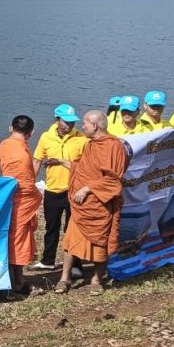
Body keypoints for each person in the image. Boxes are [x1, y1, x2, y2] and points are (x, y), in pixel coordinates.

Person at [56, 111, 129, 296]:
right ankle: (64, 278)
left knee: (100, 243)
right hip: (82, 206)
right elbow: (84, 169)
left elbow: (113, 180)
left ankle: (96, 280)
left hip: (100, 204)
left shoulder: (114, 146)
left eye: (85, 123)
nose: (82, 126)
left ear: (95, 126)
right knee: (70, 241)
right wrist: (64, 162)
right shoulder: (90, 144)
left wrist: (87, 189)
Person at [31, 105, 87, 272]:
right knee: (51, 227)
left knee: (73, 229)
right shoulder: (46, 137)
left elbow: (87, 166)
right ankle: (48, 260)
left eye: (71, 122)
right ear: (57, 119)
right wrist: (30, 183)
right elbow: (37, 160)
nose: (68, 125)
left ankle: (75, 265)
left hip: (73, 190)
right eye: (65, 121)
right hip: (52, 190)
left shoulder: (82, 139)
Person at [0, 115, 40, 297]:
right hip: (20, 201)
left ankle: (13, 279)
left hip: (7, 198)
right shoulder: (23, 153)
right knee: (18, 240)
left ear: (10, 128)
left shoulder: (3, 145)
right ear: (31, 133)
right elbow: (26, 185)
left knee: (11, 238)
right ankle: (18, 282)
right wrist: (37, 194)